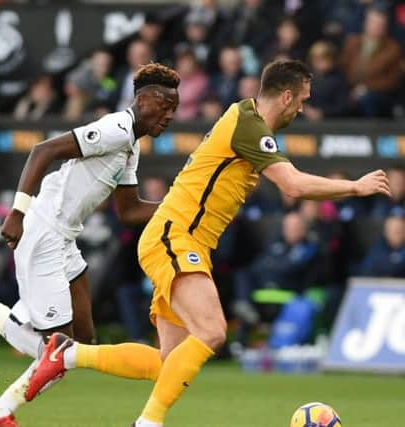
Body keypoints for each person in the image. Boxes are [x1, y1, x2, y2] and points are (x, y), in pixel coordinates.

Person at [26, 59, 390, 427]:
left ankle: (68, 356)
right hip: (176, 235)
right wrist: (355, 186)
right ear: (285, 95)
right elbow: (293, 185)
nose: (303, 107)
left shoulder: (245, 121)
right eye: (303, 99)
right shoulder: (249, 125)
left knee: (167, 363)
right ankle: (147, 423)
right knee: (213, 331)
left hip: (180, 238)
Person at [0, 62, 180, 427]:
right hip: (42, 231)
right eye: (165, 106)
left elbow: (130, 210)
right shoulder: (115, 128)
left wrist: (185, 206)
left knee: (82, 340)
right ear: (144, 100)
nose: (169, 116)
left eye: (174, 110)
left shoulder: (130, 145)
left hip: (65, 236)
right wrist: (17, 213)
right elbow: (43, 150)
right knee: (59, 354)